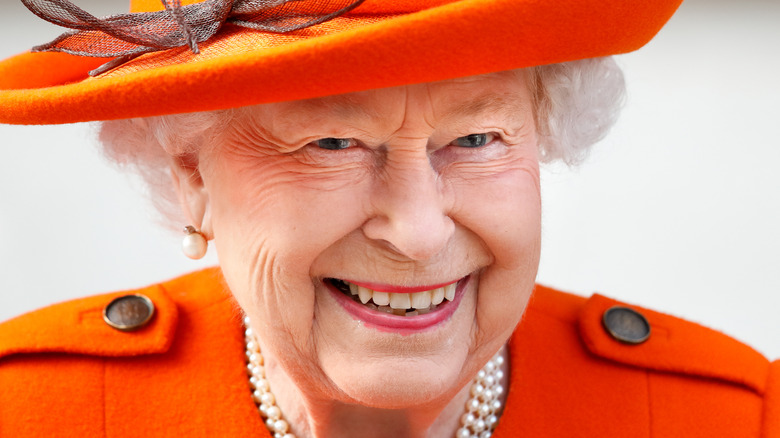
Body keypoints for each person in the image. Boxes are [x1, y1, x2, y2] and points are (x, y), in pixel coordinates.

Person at [0, 0, 778, 437]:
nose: (418, 229)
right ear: (192, 174)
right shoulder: (33, 412)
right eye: (332, 141)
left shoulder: (719, 419)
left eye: (476, 138)